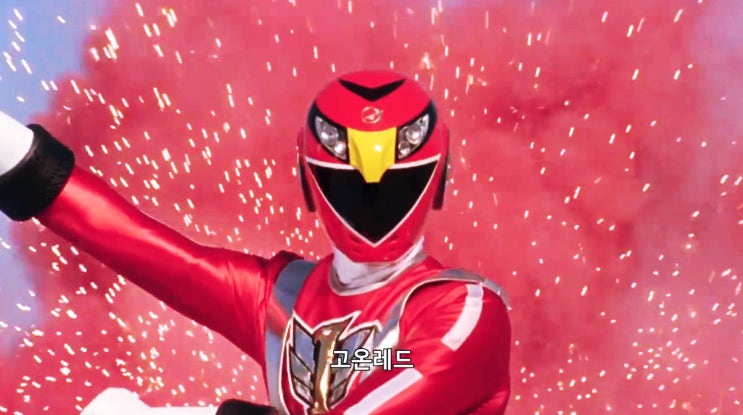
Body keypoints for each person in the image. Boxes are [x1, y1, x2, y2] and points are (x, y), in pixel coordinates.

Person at [0, 70, 511, 415]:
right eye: (350, 186)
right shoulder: (283, 296)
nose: (371, 205)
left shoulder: (467, 310)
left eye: (395, 185)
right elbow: (143, 248)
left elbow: (389, 378)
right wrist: (23, 161)